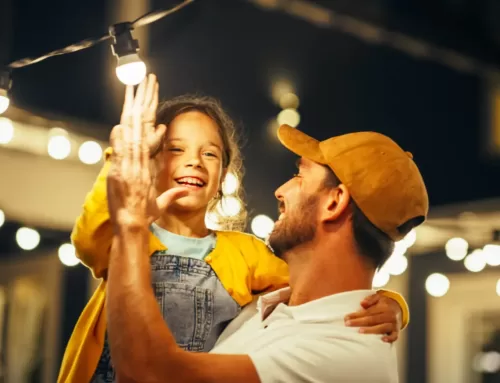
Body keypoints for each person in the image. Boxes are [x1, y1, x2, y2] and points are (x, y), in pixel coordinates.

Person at [58, 75, 409, 383]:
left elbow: (317, 282)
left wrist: (387, 303)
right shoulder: (123, 239)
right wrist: (123, 163)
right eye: (175, 149)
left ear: (224, 172)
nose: (193, 160)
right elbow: (89, 238)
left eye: (210, 154)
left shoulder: (244, 254)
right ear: (151, 161)